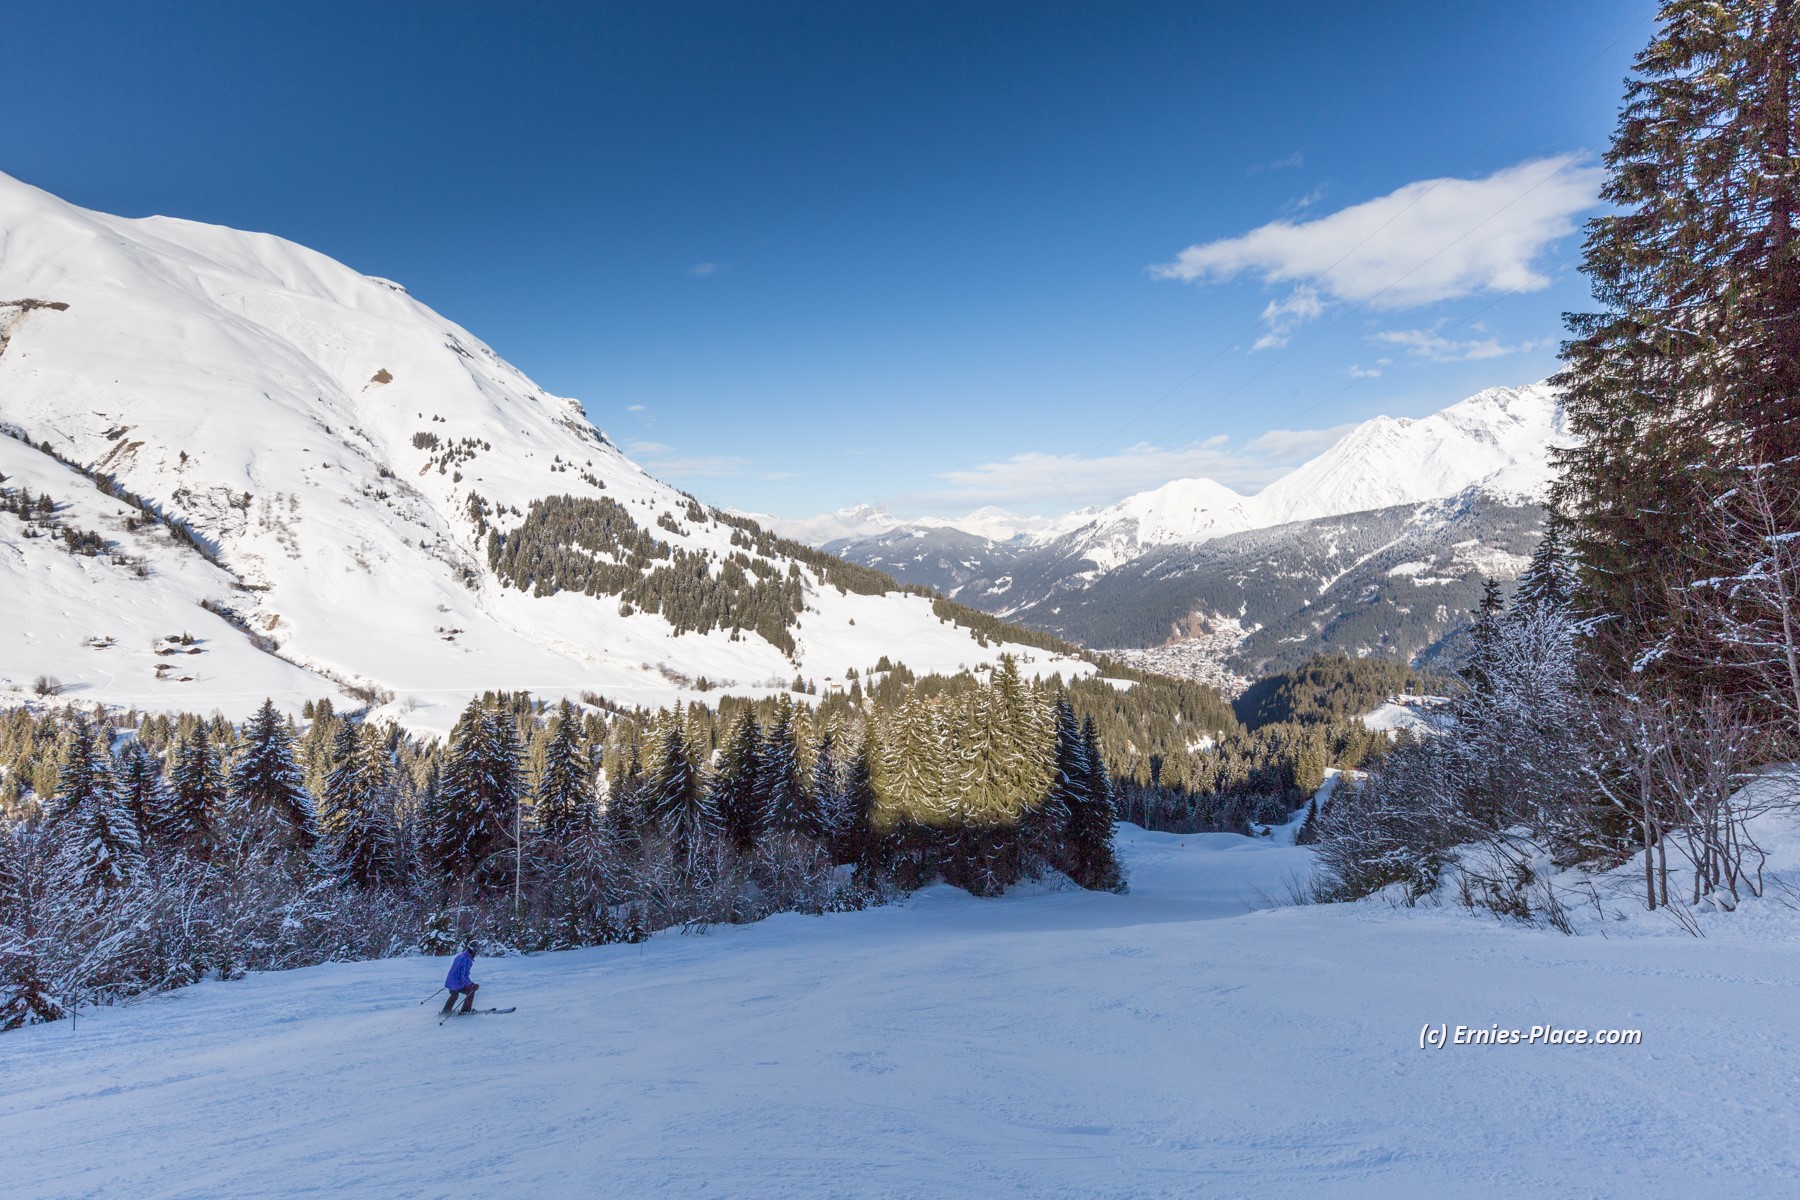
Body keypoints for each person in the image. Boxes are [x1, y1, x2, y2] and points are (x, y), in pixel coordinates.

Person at [441, 940, 480, 1015]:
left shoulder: (460, 955)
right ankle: (465, 1011)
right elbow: (464, 977)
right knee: (471, 991)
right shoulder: (467, 959)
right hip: (457, 982)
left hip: (450, 981)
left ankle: (445, 1012)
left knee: (454, 995)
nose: (476, 953)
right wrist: (472, 985)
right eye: (476, 950)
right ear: (473, 950)